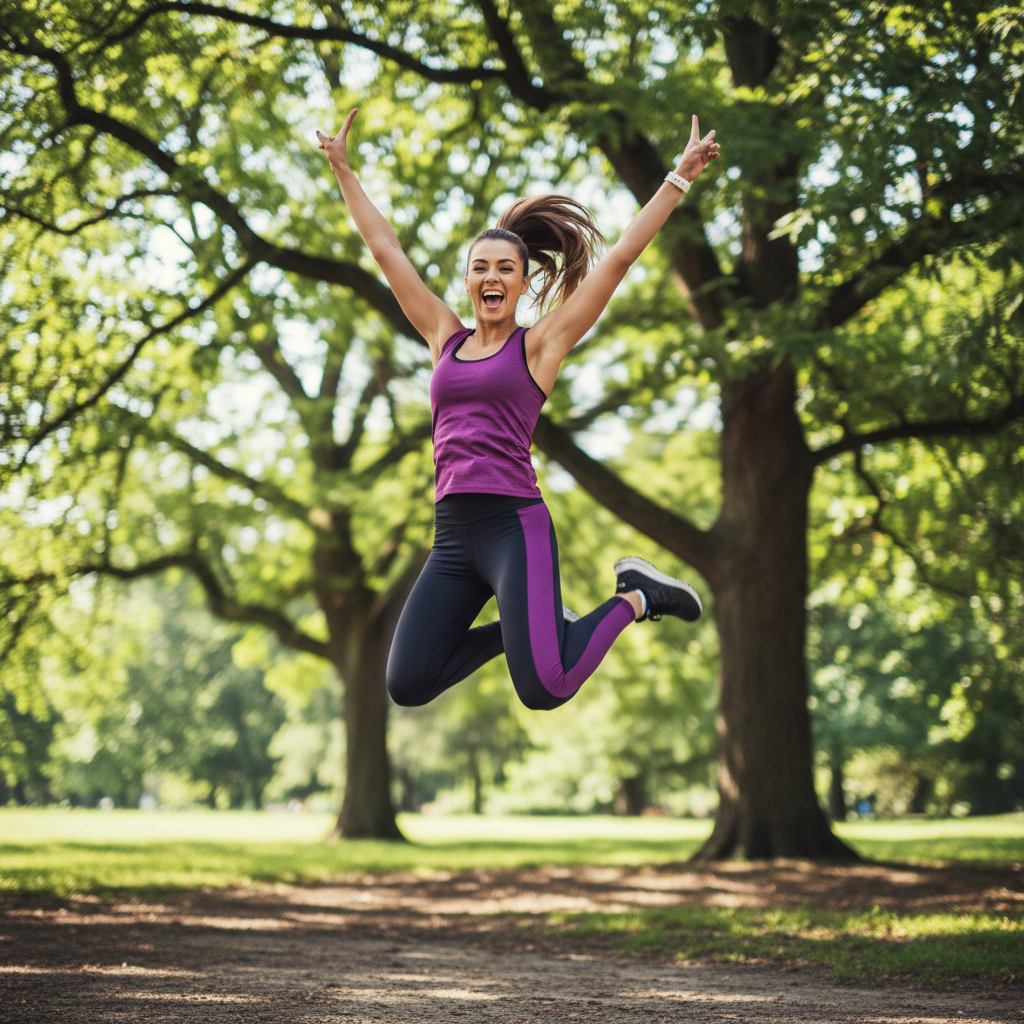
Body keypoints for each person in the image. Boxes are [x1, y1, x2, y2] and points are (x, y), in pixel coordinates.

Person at [317, 111, 720, 711]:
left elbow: (617, 263)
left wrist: (677, 179)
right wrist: (344, 170)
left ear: (525, 284)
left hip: (513, 526)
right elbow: (385, 249)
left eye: (505, 267)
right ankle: (523, 630)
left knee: (545, 687)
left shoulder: (539, 345)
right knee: (407, 681)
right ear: (467, 280)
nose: (492, 276)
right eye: (480, 267)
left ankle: (635, 596)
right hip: (452, 534)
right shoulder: (442, 339)